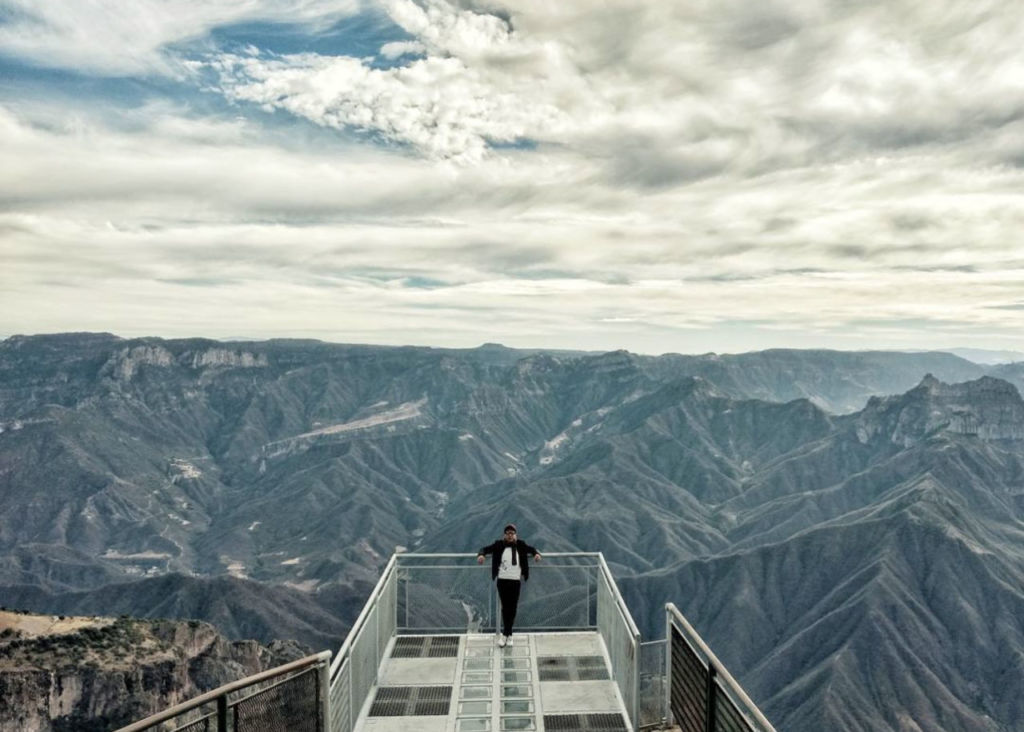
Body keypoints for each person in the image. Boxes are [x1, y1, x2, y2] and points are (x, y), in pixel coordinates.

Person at [477, 523, 541, 647]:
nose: (510, 535)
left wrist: (537, 554)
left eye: (512, 533)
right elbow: (484, 549)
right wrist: (481, 555)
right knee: (505, 607)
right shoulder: (498, 545)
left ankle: (506, 634)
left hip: (515, 581)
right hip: (502, 580)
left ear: (515, 535)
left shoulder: (521, 545)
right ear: (504, 535)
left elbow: (532, 549)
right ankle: (508, 635)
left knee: (513, 608)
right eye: (508, 533)